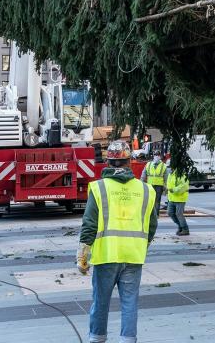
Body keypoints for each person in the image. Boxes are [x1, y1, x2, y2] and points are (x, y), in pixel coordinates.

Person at [77, 139, 158, 343]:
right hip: (133, 256)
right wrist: (143, 245)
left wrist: (83, 254)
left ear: (108, 163)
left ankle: (96, 339)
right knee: (130, 303)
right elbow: (152, 224)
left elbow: (90, 223)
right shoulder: (146, 189)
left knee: (101, 302)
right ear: (129, 162)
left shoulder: (99, 188)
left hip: (106, 256)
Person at [140, 151, 168, 217]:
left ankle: (156, 215)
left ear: (160, 156)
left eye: (157, 155)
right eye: (155, 155)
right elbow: (143, 174)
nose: (156, 156)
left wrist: (166, 187)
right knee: (150, 200)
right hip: (150, 185)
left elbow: (166, 177)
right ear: (153, 155)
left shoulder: (163, 166)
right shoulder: (148, 164)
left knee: (157, 201)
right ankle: (150, 214)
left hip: (159, 186)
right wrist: (141, 183)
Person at [166, 166, 190, 236]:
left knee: (179, 214)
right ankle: (180, 226)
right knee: (170, 213)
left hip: (180, 198)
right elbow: (169, 184)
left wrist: (173, 190)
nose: (169, 168)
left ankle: (185, 229)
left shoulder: (181, 173)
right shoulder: (171, 174)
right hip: (172, 198)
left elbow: (184, 186)